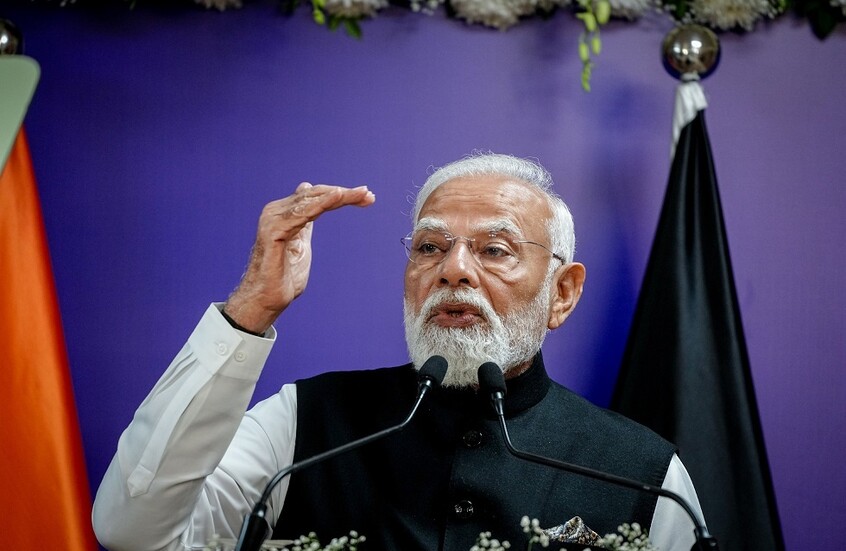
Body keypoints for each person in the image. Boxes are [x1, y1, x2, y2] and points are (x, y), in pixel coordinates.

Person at [92, 153, 705, 551]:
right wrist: (251, 307)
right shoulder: (304, 425)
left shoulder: (645, 475)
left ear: (561, 293)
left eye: (494, 250)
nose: (453, 270)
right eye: (430, 247)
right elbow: (132, 531)